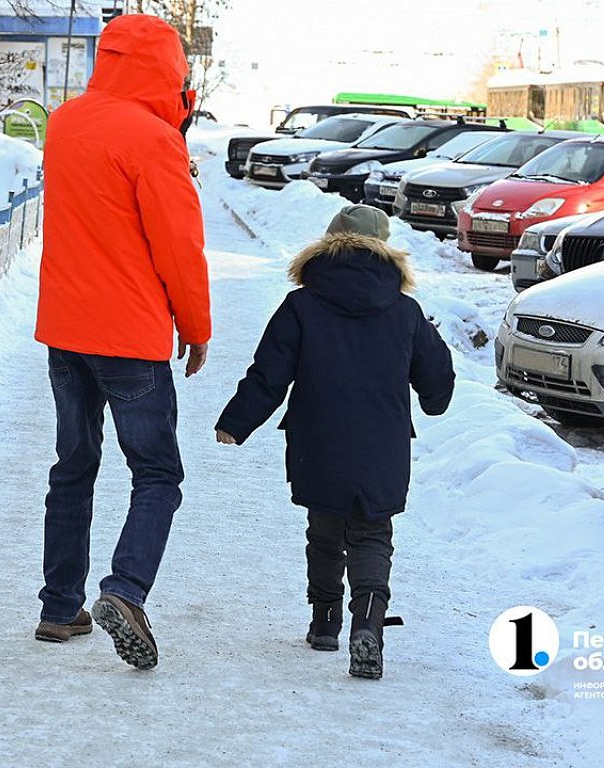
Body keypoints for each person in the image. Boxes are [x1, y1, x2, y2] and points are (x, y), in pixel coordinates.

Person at [33, 14, 211, 671]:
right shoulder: (155, 140)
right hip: (129, 337)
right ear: (169, 70)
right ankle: (125, 591)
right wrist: (195, 329)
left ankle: (59, 607)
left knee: (72, 464)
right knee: (159, 473)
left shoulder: (65, 122)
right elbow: (180, 249)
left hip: (64, 329)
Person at [215, 205, 454, 680]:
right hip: (381, 442)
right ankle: (368, 626)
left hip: (316, 439)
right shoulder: (405, 311)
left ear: (327, 244)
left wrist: (237, 422)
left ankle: (324, 623)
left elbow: (270, 373)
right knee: (371, 534)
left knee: (324, 531)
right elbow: (438, 380)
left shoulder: (301, 304)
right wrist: (433, 397)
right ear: (387, 250)